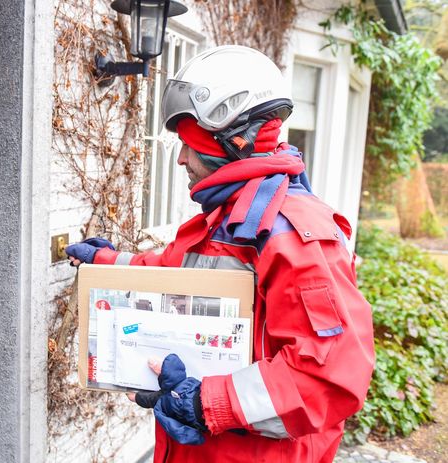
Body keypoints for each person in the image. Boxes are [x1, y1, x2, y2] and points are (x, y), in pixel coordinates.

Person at [65, 46, 374, 463]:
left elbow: (329, 380)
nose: (181, 158)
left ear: (236, 142)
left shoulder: (296, 235)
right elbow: (169, 274)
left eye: (190, 144)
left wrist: (202, 402)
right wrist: (105, 263)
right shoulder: (228, 220)